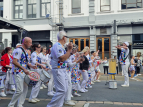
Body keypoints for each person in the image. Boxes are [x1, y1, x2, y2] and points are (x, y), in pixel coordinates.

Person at [8, 37, 36, 107]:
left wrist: (31, 66)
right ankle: (11, 105)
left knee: (25, 90)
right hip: (17, 72)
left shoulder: (25, 51)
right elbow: (14, 61)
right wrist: (24, 69)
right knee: (19, 90)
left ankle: (20, 104)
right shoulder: (18, 50)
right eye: (30, 42)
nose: (31, 44)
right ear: (25, 42)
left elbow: (25, 62)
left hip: (23, 72)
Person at [46, 31, 73, 107]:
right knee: (62, 90)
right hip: (58, 70)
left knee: (64, 90)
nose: (67, 38)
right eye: (66, 37)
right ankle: (50, 106)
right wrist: (69, 50)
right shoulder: (57, 46)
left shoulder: (60, 46)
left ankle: (59, 105)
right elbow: (62, 58)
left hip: (62, 69)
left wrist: (69, 51)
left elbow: (64, 57)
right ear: (63, 37)